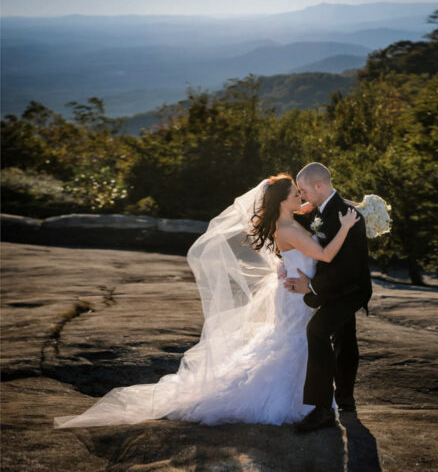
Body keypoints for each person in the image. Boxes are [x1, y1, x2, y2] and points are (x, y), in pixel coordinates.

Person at [53, 173, 360, 429]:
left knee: (298, 342)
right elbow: (325, 254)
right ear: (282, 201)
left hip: (294, 291)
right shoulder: (289, 227)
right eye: (295, 194)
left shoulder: (290, 221)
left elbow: (307, 211)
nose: (301, 198)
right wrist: (346, 227)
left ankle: (314, 401)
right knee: (297, 344)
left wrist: (344, 208)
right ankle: (299, 403)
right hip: (296, 297)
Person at [283, 162, 372, 433]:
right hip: (334, 287)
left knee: (317, 330)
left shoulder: (348, 215)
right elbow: (298, 223)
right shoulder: (321, 209)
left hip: (351, 289)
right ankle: (345, 399)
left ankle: (322, 410)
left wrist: (312, 287)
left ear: (319, 186)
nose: (302, 196)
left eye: (304, 190)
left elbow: (348, 269)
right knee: (345, 336)